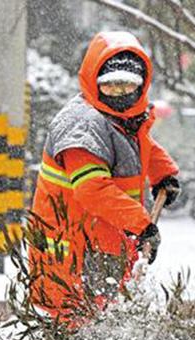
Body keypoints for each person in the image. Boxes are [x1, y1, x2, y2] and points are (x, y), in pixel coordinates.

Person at [29, 31, 181, 322]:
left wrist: (163, 174)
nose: (121, 94)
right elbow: (93, 190)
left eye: (128, 86)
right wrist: (143, 224)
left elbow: (141, 143)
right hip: (74, 248)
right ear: (93, 82)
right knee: (79, 321)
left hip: (105, 239)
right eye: (111, 87)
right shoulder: (82, 126)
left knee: (104, 317)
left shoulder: (125, 119)